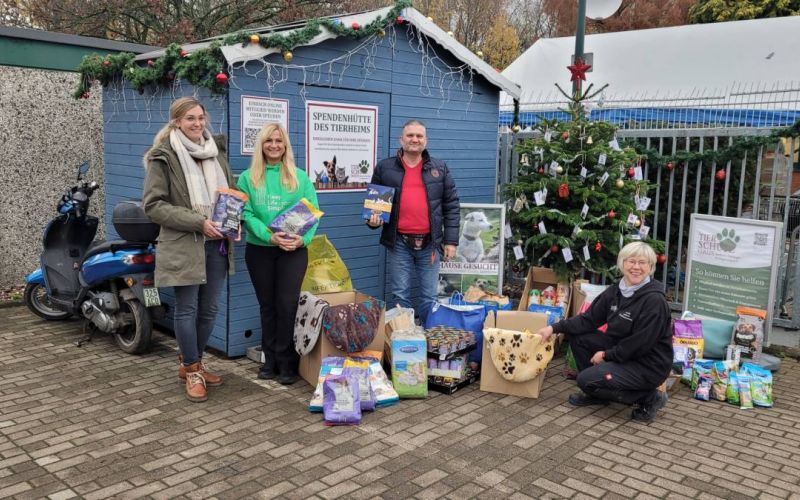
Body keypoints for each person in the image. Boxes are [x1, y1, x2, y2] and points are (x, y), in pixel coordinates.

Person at [143, 96, 236, 403]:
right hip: (186, 243)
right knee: (187, 309)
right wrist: (199, 222)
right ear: (177, 122)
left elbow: (229, 193)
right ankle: (192, 369)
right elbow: (154, 206)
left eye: (200, 117)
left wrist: (233, 220)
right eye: (190, 118)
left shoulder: (215, 152)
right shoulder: (163, 156)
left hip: (217, 244)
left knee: (209, 310)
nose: (197, 123)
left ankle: (193, 362)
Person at [538, 242, 672, 423]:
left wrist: (607, 355)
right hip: (622, 350)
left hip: (647, 364)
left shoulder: (654, 301)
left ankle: (649, 398)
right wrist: (553, 328)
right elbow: (588, 320)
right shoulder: (616, 291)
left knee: (585, 380)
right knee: (580, 337)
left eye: (642, 263)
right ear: (622, 263)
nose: (636, 267)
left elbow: (639, 344)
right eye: (631, 261)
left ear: (651, 267)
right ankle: (597, 393)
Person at [237, 123, 319, 385]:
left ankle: (286, 362)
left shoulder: (300, 177)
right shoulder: (247, 178)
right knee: (268, 306)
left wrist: (302, 240)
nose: (274, 145)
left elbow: (312, 212)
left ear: (285, 146)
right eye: (269, 141)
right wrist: (268, 236)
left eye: (279, 141)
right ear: (261, 145)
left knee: (287, 305)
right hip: (260, 250)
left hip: (293, 252)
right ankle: (269, 360)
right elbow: (246, 214)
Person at [367, 120, 460, 325]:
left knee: (429, 296)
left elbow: (451, 205)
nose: (414, 139)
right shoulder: (385, 167)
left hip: (431, 243)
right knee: (400, 294)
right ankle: (404, 337)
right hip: (399, 242)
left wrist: (451, 241)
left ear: (426, 140)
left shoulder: (440, 168)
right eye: (410, 135)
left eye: (419, 136)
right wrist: (373, 222)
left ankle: (428, 336)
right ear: (401, 139)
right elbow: (375, 206)